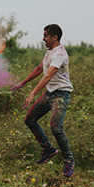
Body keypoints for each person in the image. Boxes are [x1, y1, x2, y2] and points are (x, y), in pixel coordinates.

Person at [10, 24, 75, 177]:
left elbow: (48, 76)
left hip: (61, 95)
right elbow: (40, 69)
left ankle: (69, 160)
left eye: (46, 35)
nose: (43, 38)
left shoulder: (59, 54)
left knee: (56, 128)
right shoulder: (49, 52)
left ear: (55, 37)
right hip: (50, 93)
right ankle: (48, 149)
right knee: (30, 119)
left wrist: (32, 93)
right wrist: (22, 83)